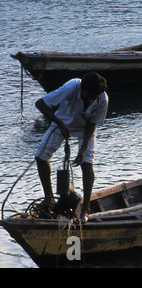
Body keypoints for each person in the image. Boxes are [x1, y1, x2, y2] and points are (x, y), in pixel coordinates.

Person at [34, 72, 108, 222]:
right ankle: (49, 199)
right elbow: (40, 104)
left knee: (87, 163)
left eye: (94, 97)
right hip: (62, 122)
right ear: (82, 88)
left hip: (85, 129)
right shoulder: (72, 86)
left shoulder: (103, 98)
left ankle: (85, 208)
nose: (91, 100)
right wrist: (60, 123)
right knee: (41, 157)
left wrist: (83, 149)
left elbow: (92, 123)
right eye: (88, 96)